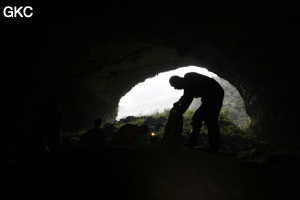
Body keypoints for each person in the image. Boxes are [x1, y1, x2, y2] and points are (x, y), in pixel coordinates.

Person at [169, 72, 224, 153]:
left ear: (178, 81)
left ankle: (209, 147)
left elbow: (188, 98)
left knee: (208, 121)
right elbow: (186, 95)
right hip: (212, 95)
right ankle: (209, 147)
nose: (175, 88)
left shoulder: (189, 79)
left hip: (214, 95)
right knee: (203, 120)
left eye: (174, 86)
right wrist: (179, 102)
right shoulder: (187, 81)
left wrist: (179, 111)